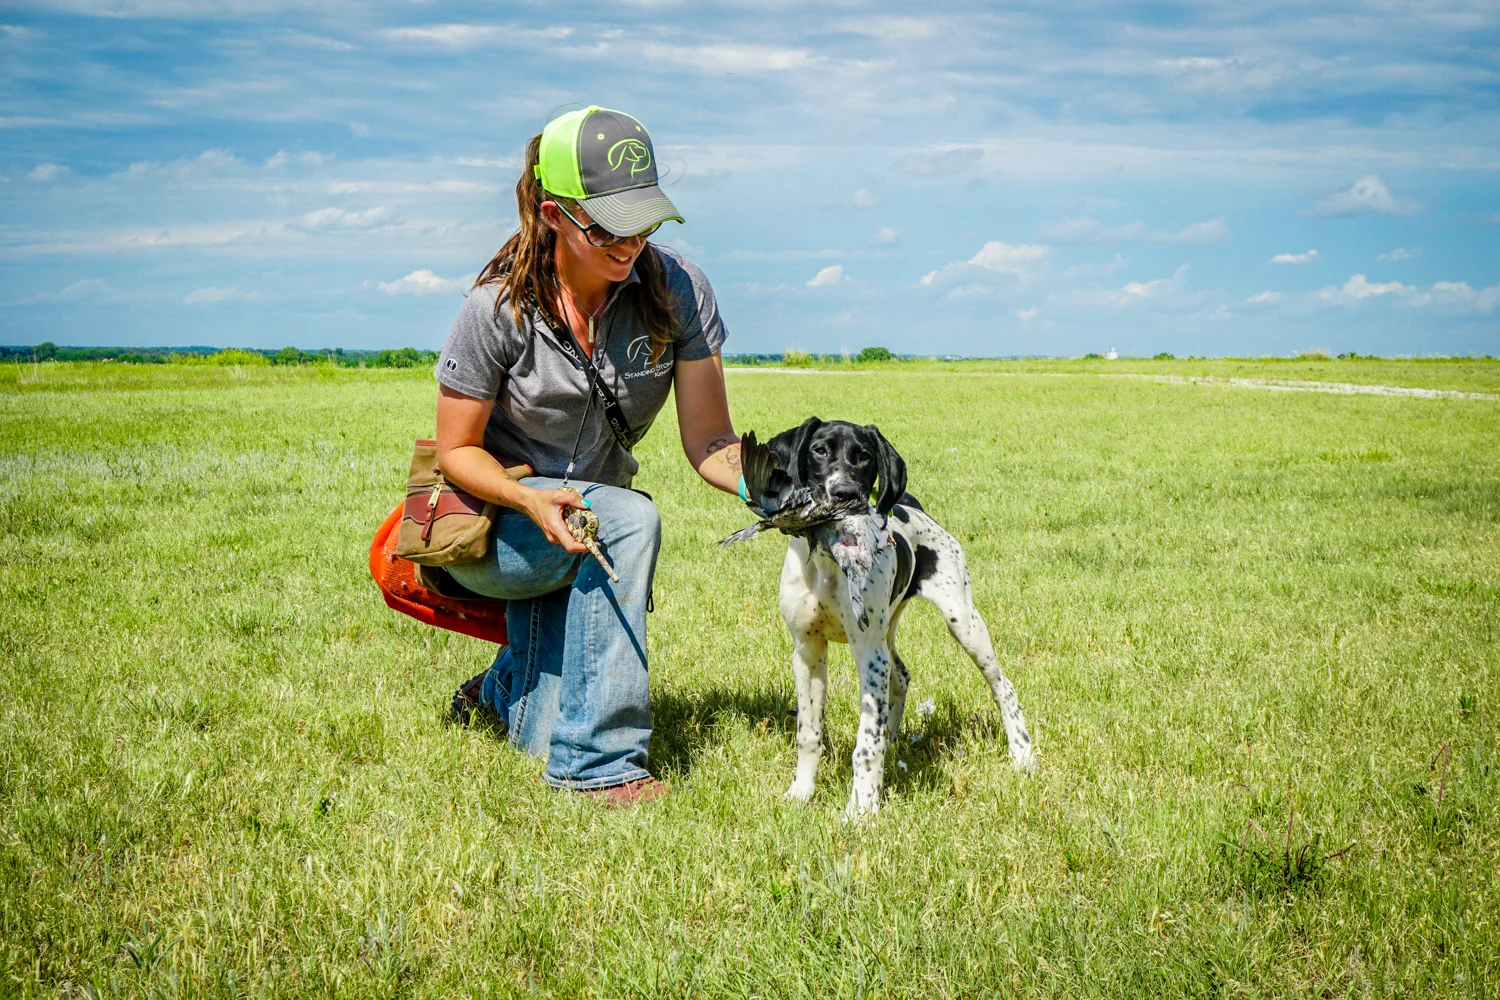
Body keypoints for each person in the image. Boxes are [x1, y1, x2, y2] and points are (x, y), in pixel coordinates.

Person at [433, 107, 742, 806]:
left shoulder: (680, 293)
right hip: (501, 527)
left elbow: (712, 444)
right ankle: (597, 767)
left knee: (536, 731)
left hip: (585, 531)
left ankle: (504, 684)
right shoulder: (494, 310)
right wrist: (530, 500)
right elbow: (455, 452)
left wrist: (781, 486)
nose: (628, 242)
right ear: (551, 213)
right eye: (605, 225)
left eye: (643, 220)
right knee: (629, 519)